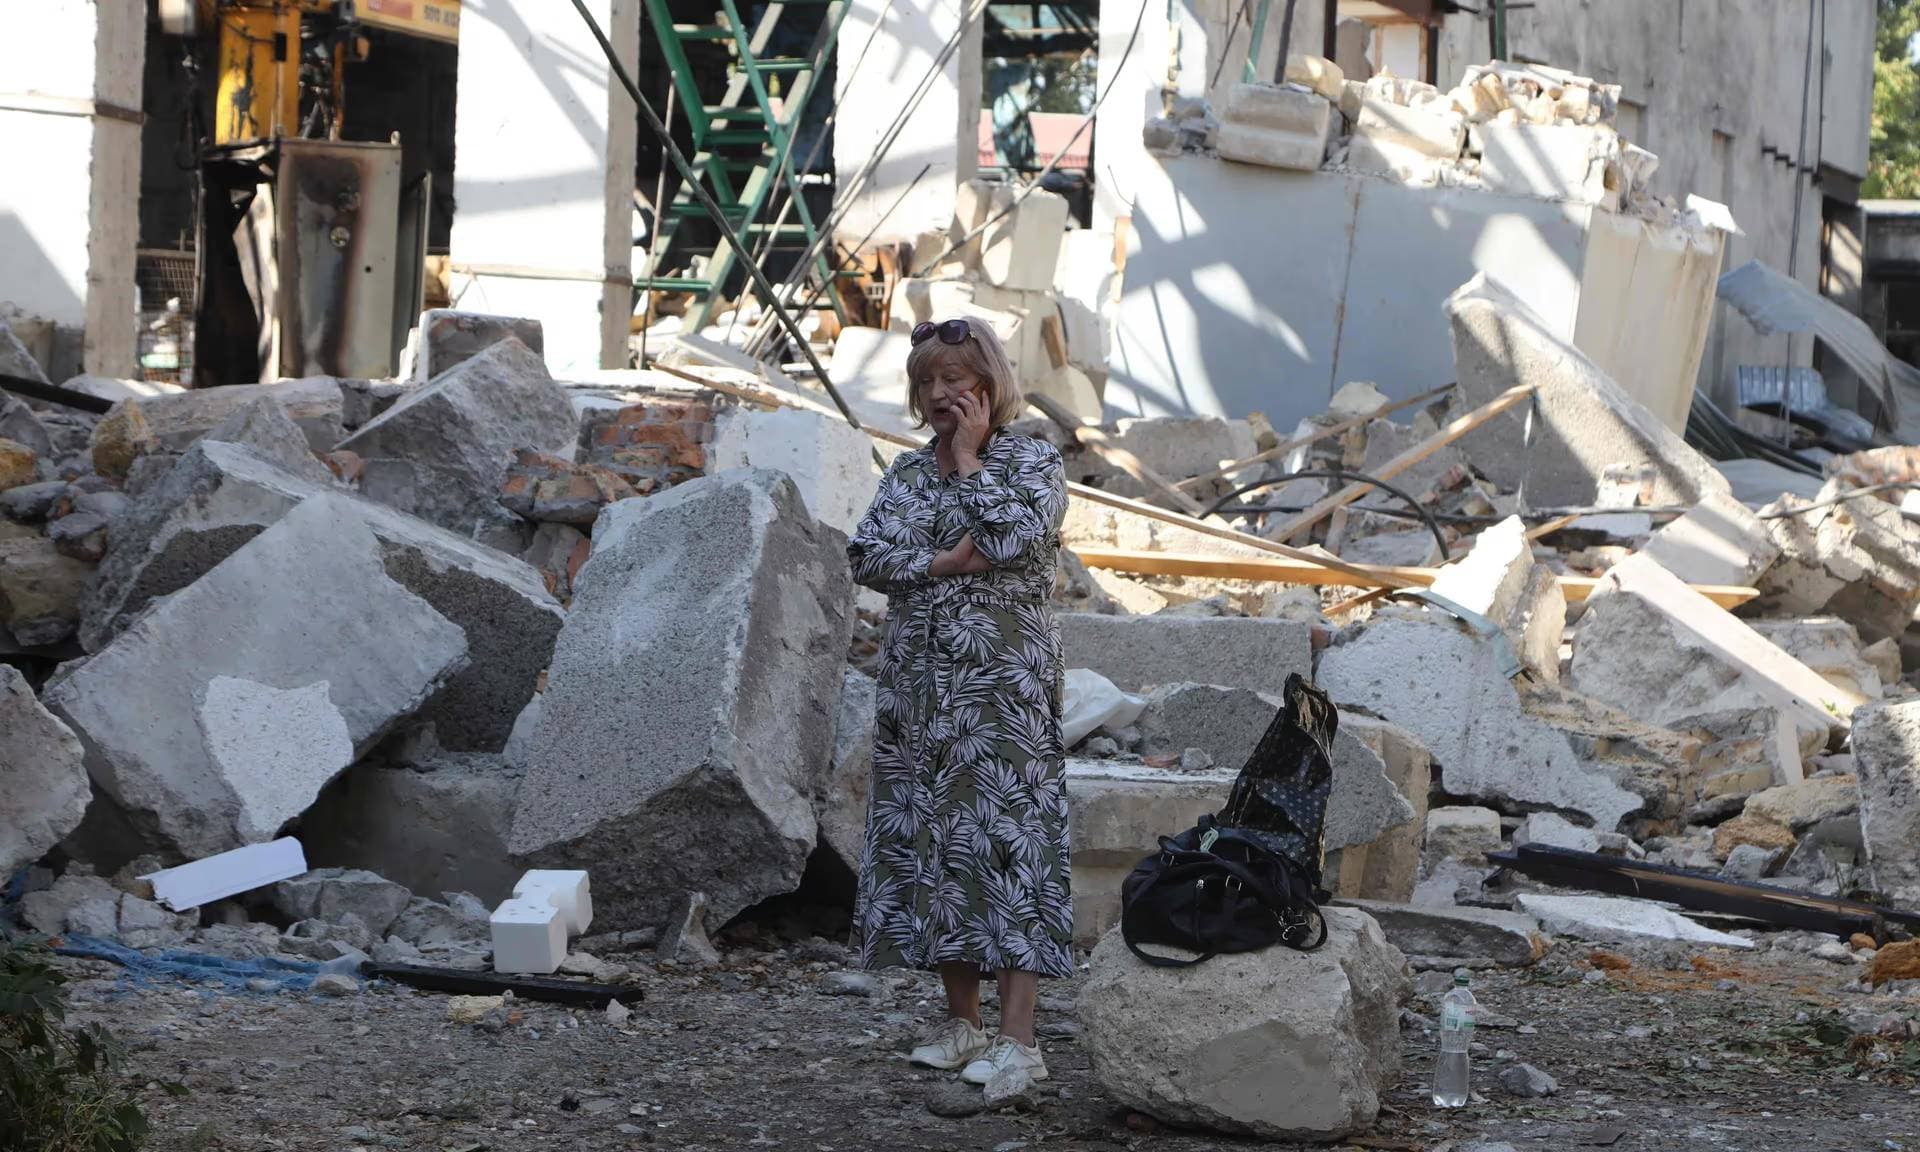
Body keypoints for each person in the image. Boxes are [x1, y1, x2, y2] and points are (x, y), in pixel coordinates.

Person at [845, 315, 1072, 1090]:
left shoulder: (1032, 459)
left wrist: (973, 464)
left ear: (988, 385)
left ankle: (1021, 1042)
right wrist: (942, 562)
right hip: (917, 693)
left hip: (1001, 692)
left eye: (955, 380)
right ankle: (964, 1026)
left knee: (1009, 846)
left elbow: (1014, 540)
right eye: (928, 383)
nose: (941, 395)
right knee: (936, 848)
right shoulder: (908, 473)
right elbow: (867, 553)